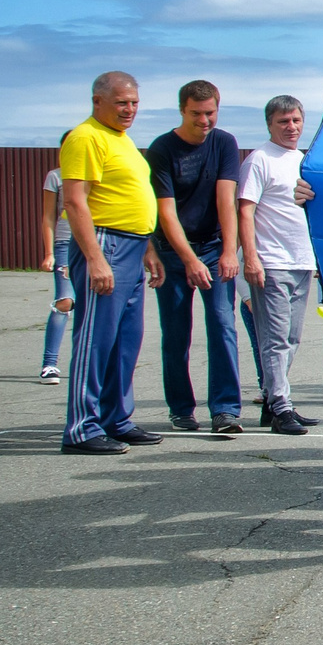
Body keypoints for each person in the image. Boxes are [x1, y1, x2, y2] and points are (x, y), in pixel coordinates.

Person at [57, 72, 161, 455]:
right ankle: (82, 428)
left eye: (134, 102)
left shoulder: (122, 140)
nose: (129, 109)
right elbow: (75, 200)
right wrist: (95, 258)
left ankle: (116, 418)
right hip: (106, 244)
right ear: (97, 101)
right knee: (95, 339)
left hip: (133, 246)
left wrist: (148, 248)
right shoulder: (85, 137)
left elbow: (132, 197)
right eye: (121, 103)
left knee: (125, 341)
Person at [145, 79, 245, 436]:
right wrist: (189, 260)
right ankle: (181, 409)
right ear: (182, 111)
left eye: (210, 113)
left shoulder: (224, 143)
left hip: (214, 246)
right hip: (174, 251)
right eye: (197, 114)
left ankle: (225, 409)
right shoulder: (162, 149)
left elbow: (226, 201)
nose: (205, 121)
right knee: (175, 333)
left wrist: (229, 252)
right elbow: (166, 213)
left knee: (222, 324)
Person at [238, 96, 321, 437]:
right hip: (271, 262)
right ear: (270, 125)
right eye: (284, 121)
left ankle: (275, 403)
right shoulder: (259, 160)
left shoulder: (302, 161)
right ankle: (281, 405)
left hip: (301, 261)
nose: (291, 127)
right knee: (274, 340)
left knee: (292, 337)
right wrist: (251, 257)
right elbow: (245, 210)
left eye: (296, 121)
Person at [39, 160, 71, 383]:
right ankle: (50, 364)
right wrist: (49, 252)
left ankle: (88, 364)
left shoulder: (100, 173)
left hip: (98, 244)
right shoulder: (56, 176)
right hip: (66, 244)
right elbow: (49, 216)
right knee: (65, 301)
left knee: (97, 306)